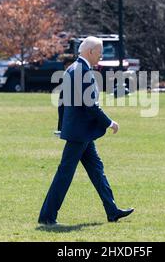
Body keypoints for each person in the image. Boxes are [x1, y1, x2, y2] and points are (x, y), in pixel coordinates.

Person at [38, 36, 134, 226]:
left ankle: (112, 211)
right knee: (64, 174)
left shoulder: (72, 69)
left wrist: (62, 127)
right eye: (99, 53)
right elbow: (91, 105)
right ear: (90, 52)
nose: (100, 57)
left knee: (97, 170)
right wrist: (110, 123)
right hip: (80, 133)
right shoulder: (83, 72)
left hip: (80, 132)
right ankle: (47, 216)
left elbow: (62, 102)